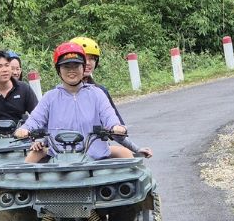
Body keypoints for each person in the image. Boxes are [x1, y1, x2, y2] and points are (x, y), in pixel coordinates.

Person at [14, 42, 153, 163]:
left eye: (76, 66)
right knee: (25, 176)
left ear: (83, 68)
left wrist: (116, 127)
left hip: (96, 158)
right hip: (59, 160)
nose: (72, 71)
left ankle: (151, 194)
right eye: (66, 67)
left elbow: (109, 116)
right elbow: (36, 119)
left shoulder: (97, 94)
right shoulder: (50, 97)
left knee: (134, 176)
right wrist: (25, 129)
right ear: (58, 70)